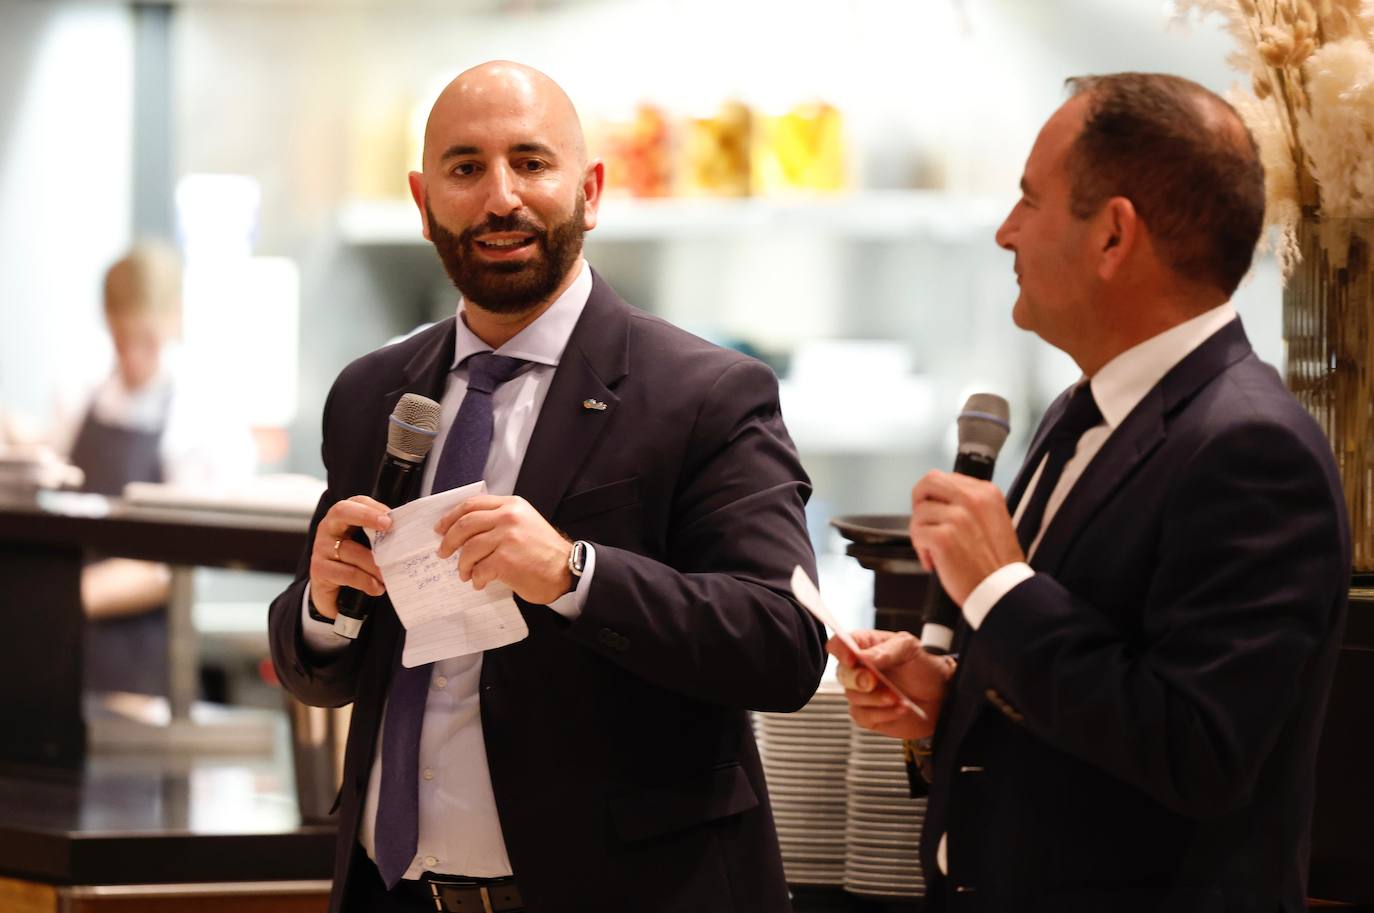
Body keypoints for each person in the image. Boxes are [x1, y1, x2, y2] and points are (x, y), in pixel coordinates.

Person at [268, 61, 824, 913]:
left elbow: (782, 644)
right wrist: (321, 603)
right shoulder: (371, 393)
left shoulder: (706, 392)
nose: (500, 199)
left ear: (590, 190)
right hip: (393, 893)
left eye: (531, 163)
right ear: (422, 200)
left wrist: (574, 575)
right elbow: (323, 670)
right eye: (465, 168)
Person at [830, 72, 1350, 912]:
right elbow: (1082, 682)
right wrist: (954, 692)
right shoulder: (1082, 408)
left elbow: (1198, 751)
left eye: (1029, 201)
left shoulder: (1251, 447)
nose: (1006, 232)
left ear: (1113, 236)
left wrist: (999, 586)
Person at [52, 243, 256, 695]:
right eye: (121, 340)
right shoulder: (83, 393)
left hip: (143, 659)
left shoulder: (199, 411)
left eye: (146, 340)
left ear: (174, 319)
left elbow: (178, 561)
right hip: (64, 647)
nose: (132, 356)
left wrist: (65, 596)